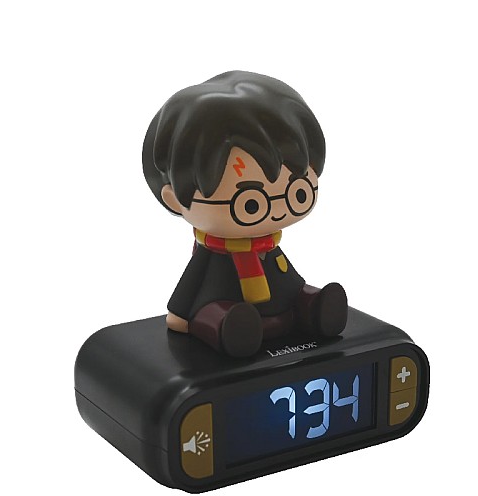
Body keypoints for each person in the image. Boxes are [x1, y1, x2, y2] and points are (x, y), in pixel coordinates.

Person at [142, 70, 348, 357]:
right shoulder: (212, 255)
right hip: (223, 304)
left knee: (299, 293)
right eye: (250, 202)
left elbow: (289, 278)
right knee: (214, 314)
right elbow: (191, 284)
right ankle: (232, 328)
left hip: (282, 303)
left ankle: (315, 307)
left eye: (298, 192)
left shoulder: (270, 247)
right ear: (175, 199)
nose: (276, 210)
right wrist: (180, 314)